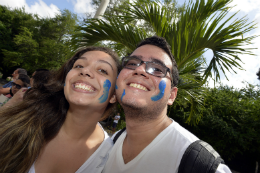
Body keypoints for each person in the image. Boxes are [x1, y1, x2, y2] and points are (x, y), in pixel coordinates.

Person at [102, 36, 232, 173]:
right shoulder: (111, 143)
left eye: (157, 69)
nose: (139, 70)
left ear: (171, 96)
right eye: (132, 63)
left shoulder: (201, 164)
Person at [0, 47, 120, 173]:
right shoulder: (23, 120)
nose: (85, 71)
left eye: (102, 70)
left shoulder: (108, 160)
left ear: (113, 95)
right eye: (79, 65)